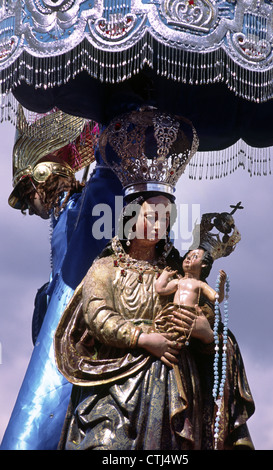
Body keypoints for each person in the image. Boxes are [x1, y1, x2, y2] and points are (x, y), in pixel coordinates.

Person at [54, 108, 255, 450]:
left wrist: (206, 336)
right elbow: (98, 314)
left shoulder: (179, 272)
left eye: (167, 217)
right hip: (112, 393)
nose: (160, 224)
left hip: (175, 395)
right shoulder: (105, 269)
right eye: (152, 215)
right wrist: (143, 338)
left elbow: (215, 331)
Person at [1, 107, 122, 450]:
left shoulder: (77, 206)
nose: (28, 207)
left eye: (27, 195)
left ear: (42, 177)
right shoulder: (67, 212)